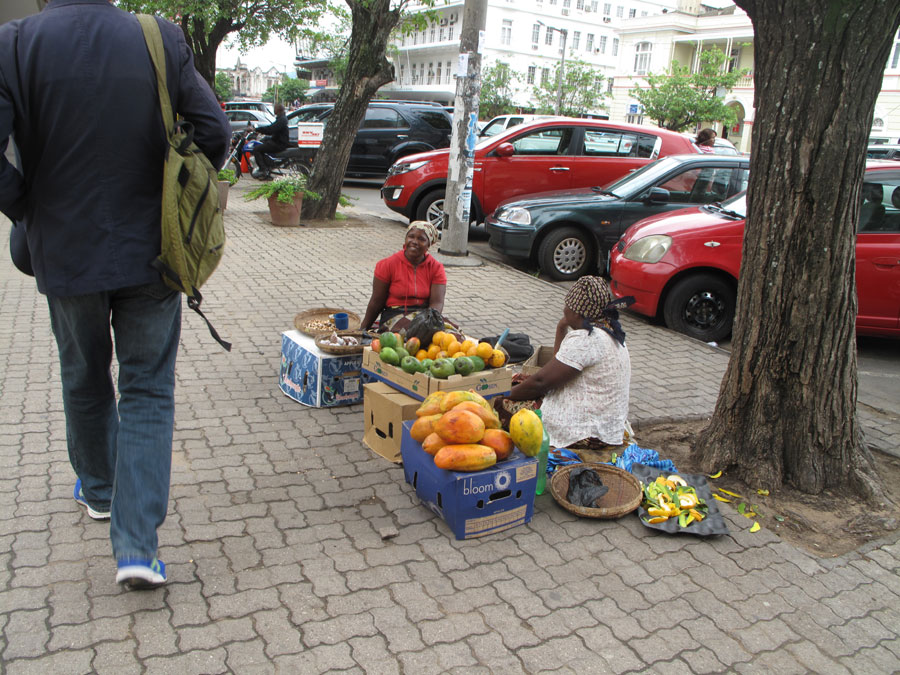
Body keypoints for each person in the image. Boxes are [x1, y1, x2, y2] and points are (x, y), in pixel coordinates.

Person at [0, 0, 231, 590]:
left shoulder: (15, 43)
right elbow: (213, 131)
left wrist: (25, 205)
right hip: (153, 248)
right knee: (148, 387)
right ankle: (136, 547)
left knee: (82, 373)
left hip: (64, 249)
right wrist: (180, 190)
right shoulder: (156, 36)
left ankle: (99, 491)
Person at [493, 277, 633, 450]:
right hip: (607, 426)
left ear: (576, 312)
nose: (563, 309)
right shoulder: (610, 331)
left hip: (586, 431)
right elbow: (558, 363)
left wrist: (506, 394)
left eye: (567, 305)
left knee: (502, 404)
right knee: (520, 380)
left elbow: (541, 383)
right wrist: (561, 327)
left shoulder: (586, 340)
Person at [361, 221, 447, 332]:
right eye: (411, 236)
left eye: (421, 239)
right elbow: (376, 301)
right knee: (409, 334)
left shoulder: (436, 268)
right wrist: (363, 329)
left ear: (428, 245)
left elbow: (437, 302)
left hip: (425, 316)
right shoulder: (388, 264)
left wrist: (429, 323)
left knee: (453, 335)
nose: (414, 242)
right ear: (405, 239)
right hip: (394, 315)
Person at [251, 102, 290, 179]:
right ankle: (267, 168)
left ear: (278, 110)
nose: (274, 110)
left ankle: (263, 170)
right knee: (263, 143)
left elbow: (271, 129)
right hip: (278, 141)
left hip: (279, 144)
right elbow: (272, 128)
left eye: (275, 108)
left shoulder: (282, 119)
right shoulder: (281, 118)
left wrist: (257, 130)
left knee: (256, 149)